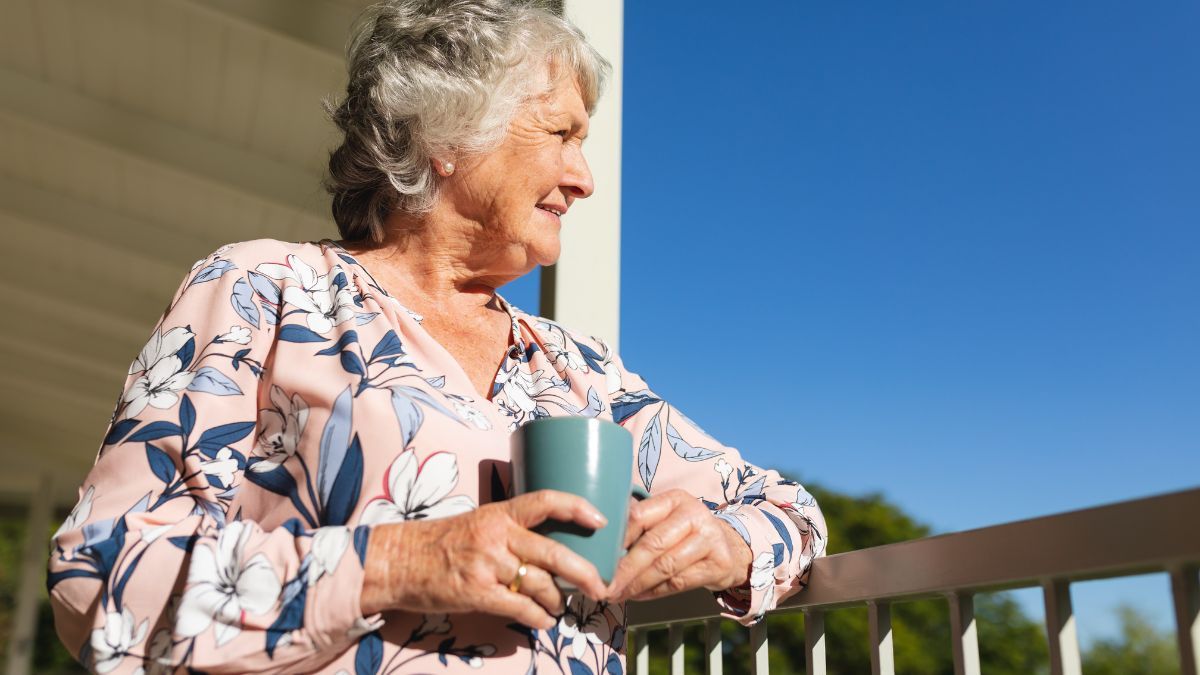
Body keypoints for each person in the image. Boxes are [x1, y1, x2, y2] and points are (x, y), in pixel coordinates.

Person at [47, 1, 827, 672]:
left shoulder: (578, 367)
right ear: (447, 135)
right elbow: (98, 575)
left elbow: (790, 509)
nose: (584, 176)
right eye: (561, 132)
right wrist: (405, 562)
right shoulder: (264, 289)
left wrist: (726, 544)